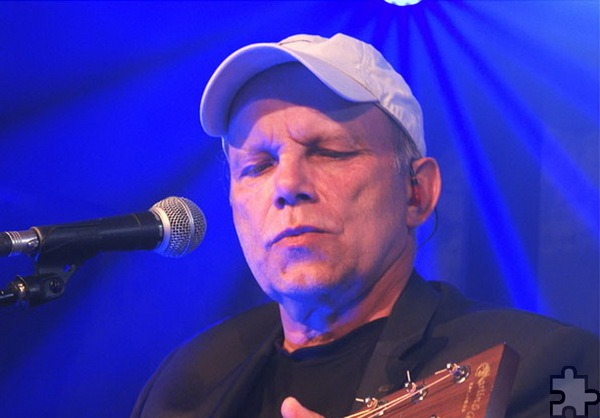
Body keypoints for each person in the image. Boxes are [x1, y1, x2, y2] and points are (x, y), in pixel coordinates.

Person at [131, 33, 599, 418]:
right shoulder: (184, 381)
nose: (288, 184)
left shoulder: (551, 366)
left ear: (417, 192)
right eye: (257, 166)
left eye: (329, 151)